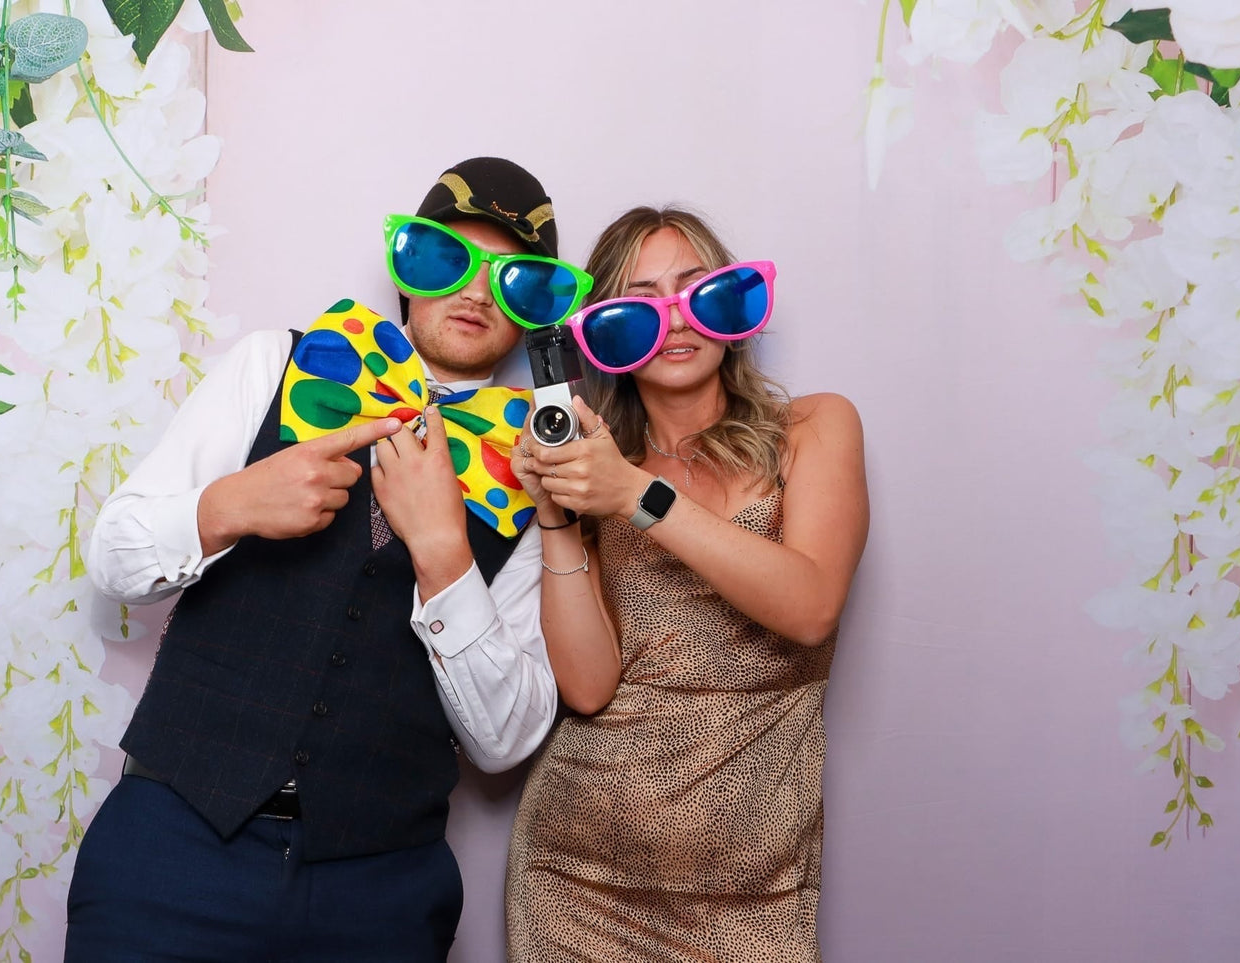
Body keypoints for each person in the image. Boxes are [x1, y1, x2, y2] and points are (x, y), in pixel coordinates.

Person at [66, 157, 587, 962]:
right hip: (170, 851)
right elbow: (115, 558)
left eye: (517, 279)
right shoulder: (271, 364)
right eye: (447, 257)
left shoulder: (540, 471)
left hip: (380, 893)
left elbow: (507, 739)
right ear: (405, 265)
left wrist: (444, 554)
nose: (478, 291)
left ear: (540, 309)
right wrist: (231, 505)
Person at [504, 206, 869, 962]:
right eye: (638, 303)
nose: (672, 321)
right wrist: (558, 514)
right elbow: (588, 686)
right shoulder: (598, 467)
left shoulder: (814, 427)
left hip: (754, 890)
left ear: (732, 306)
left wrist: (632, 495)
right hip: (575, 882)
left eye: (696, 291)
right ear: (603, 335)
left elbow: (809, 608)